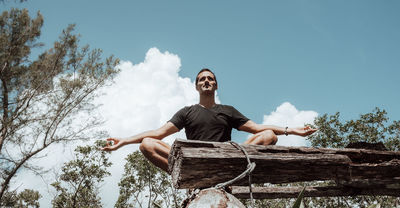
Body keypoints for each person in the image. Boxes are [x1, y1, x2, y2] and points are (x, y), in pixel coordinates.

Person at [102, 68, 317, 172]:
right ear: (196, 86)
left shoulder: (227, 110)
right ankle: (181, 173)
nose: (207, 81)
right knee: (147, 144)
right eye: (202, 79)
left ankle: (233, 170)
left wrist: (294, 131)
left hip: (226, 159)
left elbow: (258, 128)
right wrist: (123, 141)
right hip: (192, 160)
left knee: (269, 136)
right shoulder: (186, 112)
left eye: (210, 79)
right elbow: (158, 134)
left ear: (215, 86)